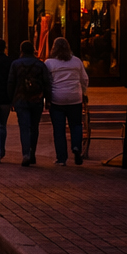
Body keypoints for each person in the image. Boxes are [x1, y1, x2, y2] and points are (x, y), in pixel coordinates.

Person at [44, 37, 89, 166]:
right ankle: (76, 147)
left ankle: (61, 158)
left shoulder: (49, 63)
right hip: (75, 97)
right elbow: (84, 79)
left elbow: (47, 82)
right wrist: (83, 92)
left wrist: (47, 98)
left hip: (57, 98)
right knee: (76, 124)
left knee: (59, 129)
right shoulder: (76, 61)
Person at [8, 40, 51, 166]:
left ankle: (25, 153)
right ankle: (32, 153)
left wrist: (11, 100)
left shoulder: (16, 64)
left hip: (21, 99)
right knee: (34, 127)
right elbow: (47, 83)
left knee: (24, 127)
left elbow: (11, 83)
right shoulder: (40, 65)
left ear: (21, 50)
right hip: (36, 99)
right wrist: (48, 100)